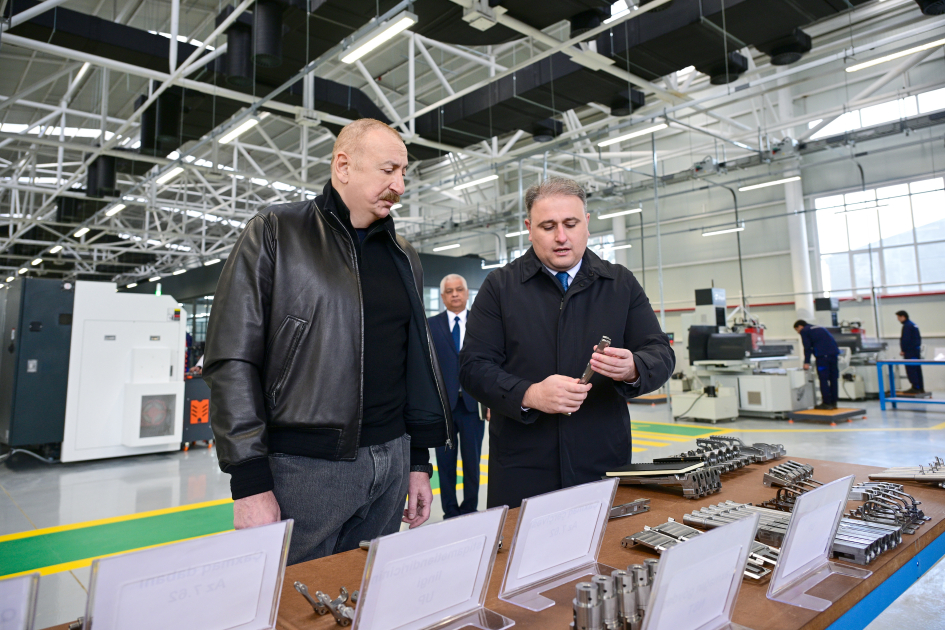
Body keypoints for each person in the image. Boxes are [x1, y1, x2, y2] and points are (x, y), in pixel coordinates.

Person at [203, 118, 453, 565]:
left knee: (364, 593)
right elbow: (231, 358)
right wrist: (249, 481)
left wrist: (418, 462)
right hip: (305, 469)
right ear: (343, 166)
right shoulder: (276, 231)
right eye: (388, 170)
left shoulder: (404, 255)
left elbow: (412, 364)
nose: (399, 185)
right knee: (290, 597)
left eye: (403, 173)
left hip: (392, 462)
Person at [459, 177, 675, 509]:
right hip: (523, 466)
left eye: (570, 224)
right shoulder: (500, 287)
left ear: (586, 223)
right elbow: (472, 367)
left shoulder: (620, 284)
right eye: (548, 226)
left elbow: (661, 352)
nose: (561, 237)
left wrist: (634, 367)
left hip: (602, 460)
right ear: (529, 229)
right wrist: (530, 394)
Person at [428, 274, 485, 518]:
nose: (454, 294)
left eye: (459, 289)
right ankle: (450, 511)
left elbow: (490, 363)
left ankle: (470, 509)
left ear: (467, 292)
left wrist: (491, 402)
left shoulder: (481, 323)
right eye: (449, 291)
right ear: (442, 297)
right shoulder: (431, 325)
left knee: (473, 462)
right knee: (445, 463)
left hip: (474, 406)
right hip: (444, 408)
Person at [794, 319, 840, 410]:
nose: (798, 332)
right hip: (834, 355)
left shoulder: (805, 331)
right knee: (833, 379)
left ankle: (826, 403)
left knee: (823, 379)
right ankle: (834, 402)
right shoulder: (820, 327)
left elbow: (807, 347)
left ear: (800, 326)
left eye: (797, 330)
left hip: (823, 357)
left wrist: (806, 362)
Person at [897, 310, 924, 394]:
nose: (898, 319)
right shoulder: (913, 325)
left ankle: (915, 387)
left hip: (910, 352)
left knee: (911, 370)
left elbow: (906, 339)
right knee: (917, 369)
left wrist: (903, 350)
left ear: (903, 316)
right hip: (916, 351)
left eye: (898, 317)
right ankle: (920, 387)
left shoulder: (907, 326)